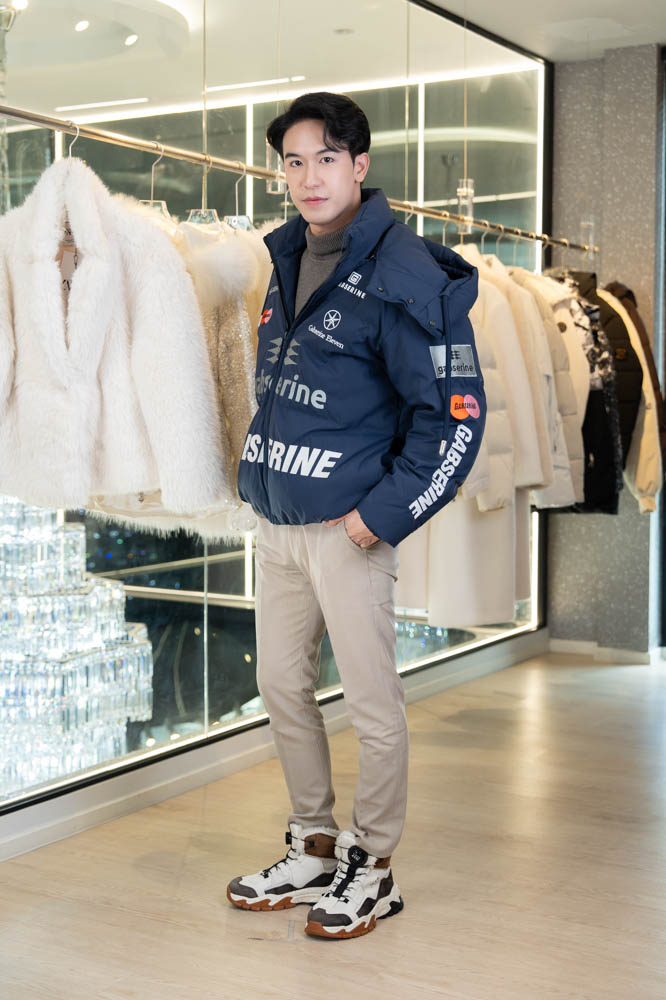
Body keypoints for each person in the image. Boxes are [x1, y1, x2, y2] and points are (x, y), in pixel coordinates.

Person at [227, 91, 485, 939]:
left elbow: (453, 418)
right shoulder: (285, 256)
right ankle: (312, 842)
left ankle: (372, 866)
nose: (309, 177)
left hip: (348, 530)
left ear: (360, 165)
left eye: (326, 159)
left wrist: (381, 517)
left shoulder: (403, 274)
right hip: (279, 522)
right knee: (279, 685)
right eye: (294, 162)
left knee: (372, 707)